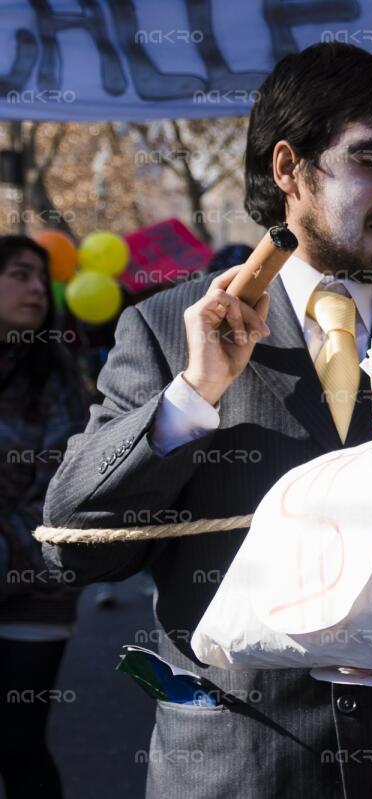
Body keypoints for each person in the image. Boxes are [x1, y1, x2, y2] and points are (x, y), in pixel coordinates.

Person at [40, 43, 372, 799]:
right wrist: (193, 394)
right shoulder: (165, 326)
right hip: (235, 768)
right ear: (288, 169)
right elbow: (75, 548)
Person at [0, 235, 89, 799]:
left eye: (40, 277)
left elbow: (59, 492)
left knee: (16, 741)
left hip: (34, 586)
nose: (37, 288)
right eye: (18, 274)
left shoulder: (57, 378)